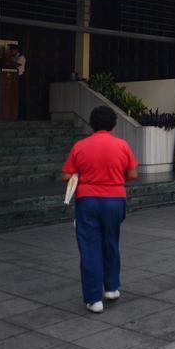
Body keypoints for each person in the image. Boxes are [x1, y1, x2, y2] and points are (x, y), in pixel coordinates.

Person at [62, 106, 138, 313]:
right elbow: (132, 174)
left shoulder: (80, 146)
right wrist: (114, 179)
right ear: (113, 124)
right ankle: (112, 288)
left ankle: (94, 299)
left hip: (88, 201)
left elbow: (67, 176)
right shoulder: (122, 145)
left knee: (90, 248)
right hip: (115, 201)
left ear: (92, 123)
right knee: (111, 241)